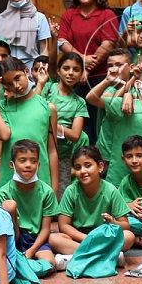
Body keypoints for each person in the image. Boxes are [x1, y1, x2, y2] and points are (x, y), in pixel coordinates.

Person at [57, 0, 120, 145]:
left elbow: (108, 44)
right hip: (74, 77)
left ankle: (98, 157)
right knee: (77, 121)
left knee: (99, 120)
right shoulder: (69, 14)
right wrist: (82, 60)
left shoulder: (107, 14)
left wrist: (87, 69)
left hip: (101, 78)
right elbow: (62, 42)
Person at [48, 145, 133, 269]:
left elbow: (126, 225)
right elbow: (64, 225)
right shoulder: (71, 191)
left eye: (88, 165)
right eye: (78, 167)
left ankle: (79, 257)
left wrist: (114, 222)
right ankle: (108, 256)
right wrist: (87, 238)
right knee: (52, 238)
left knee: (128, 236)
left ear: (100, 167)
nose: (83, 171)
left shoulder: (111, 190)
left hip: (103, 238)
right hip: (79, 238)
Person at [86, 60, 142, 174]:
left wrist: (129, 94)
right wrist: (107, 81)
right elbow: (91, 98)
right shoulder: (124, 105)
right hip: (119, 174)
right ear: (138, 84)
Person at [0, 58, 58, 193]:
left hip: (40, 180)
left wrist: (54, 189)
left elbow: (52, 151)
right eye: (9, 84)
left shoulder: (48, 108)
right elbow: (4, 135)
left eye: (17, 78)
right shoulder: (1, 108)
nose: (16, 86)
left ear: (26, 71)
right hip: (9, 182)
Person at [0, 141, 58, 263]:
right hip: (13, 238)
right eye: (22, 160)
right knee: (10, 206)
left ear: (38, 165)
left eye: (33, 161)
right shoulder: (4, 192)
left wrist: (31, 251)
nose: (28, 165)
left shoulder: (47, 192)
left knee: (49, 263)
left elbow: (45, 229)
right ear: (12, 165)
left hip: (36, 239)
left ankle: (27, 264)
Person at [43, 51, 88, 188]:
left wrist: (52, 125)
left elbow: (75, 135)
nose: (70, 73)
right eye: (66, 68)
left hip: (62, 157)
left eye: (76, 70)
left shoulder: (79, 102)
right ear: (58, 71)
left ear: (81, 74)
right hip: (40, 152)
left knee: (59, 194)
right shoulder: (47, 88)